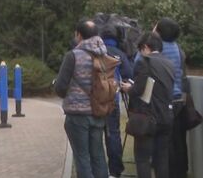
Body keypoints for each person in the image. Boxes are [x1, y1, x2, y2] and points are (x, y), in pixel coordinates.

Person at [54, 18, 110, 178]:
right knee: (98, 156)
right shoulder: (105, 56)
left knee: (82, 158)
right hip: (99, 112)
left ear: (78, 35)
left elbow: (60, 87)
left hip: (78, 115)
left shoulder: (73, 56)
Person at [120, 31, 175, 178]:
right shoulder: (169, 64)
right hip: (166, 116)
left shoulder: (144, 62)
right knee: (162, 159)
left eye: (140, 49)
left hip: (148, 117)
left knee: (143, 158)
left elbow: (138, 89)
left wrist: (127, 88)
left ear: (145, 47)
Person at [155, 18, 191, 178]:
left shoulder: (157, 51)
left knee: (164, 144)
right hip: (179, 100)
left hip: (162, 102)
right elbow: (183, 77)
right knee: (179, 140)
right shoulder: (179, 50)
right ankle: (181, 172)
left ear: (160, 32)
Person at [101, 23, 134, 178]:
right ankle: (115, 171)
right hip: (112, 101)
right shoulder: (119, 54)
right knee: (113, 134)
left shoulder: (95, 52)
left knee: (94, 136)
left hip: (94, 102)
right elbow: (129, 75)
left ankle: (97, 170)